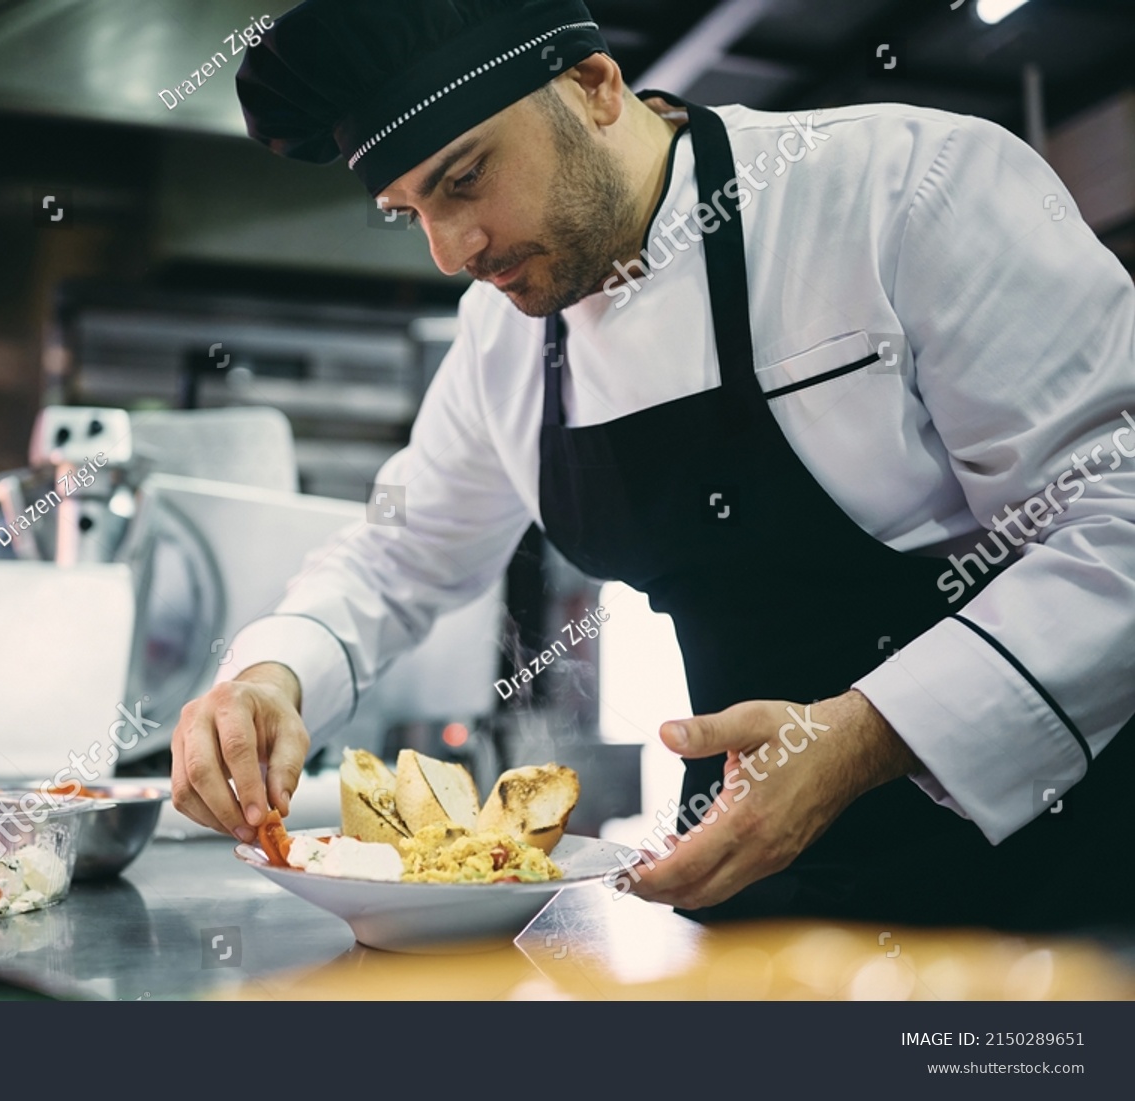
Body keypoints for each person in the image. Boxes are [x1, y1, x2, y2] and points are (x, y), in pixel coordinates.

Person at [170, 0, 1135, 929]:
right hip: (750, 893)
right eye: (408, 209)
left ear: (594, 85)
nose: (450, 250)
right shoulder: (502, 340)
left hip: (1050, 878)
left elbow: (1117, 516)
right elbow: (397, 555)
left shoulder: (907, 188)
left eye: (465, 179)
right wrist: (270, 674)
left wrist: (865, 738)